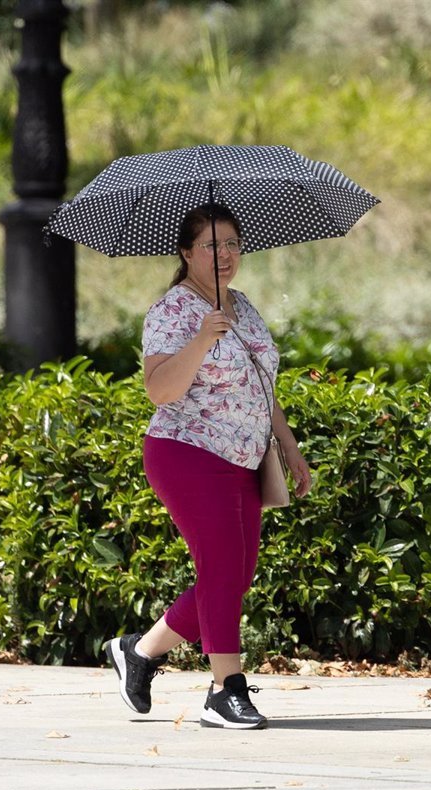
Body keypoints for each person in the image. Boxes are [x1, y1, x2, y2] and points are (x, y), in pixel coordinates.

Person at [103, 203, 312, 730]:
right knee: (220, 570)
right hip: (187, 452)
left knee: (235, 577)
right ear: (186, 252)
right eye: (212, 246)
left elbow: (262, 385)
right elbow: (160, 389)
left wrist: (287, 445)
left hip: (243, 457)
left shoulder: (242, 305)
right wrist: (202, 338)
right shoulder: (172, 312)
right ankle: (226, 689)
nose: (225, 255)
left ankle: (141, 651)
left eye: (233, 244)